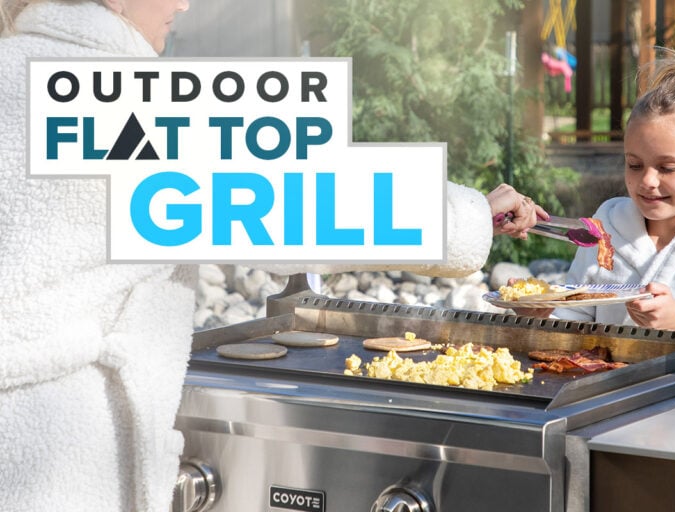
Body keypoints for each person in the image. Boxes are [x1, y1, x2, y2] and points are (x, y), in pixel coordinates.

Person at [0, 2, 544, 509]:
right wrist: (473, 213)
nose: (185, 5)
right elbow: (301, 199)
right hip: (49, 465)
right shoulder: (114, 96)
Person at [522, 49, 675, 360]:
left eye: (667, 168)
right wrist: (539, 312)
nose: (647, 180)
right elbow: (576, 318)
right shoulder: (606, 227)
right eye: (635, 165)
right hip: (605, 390)